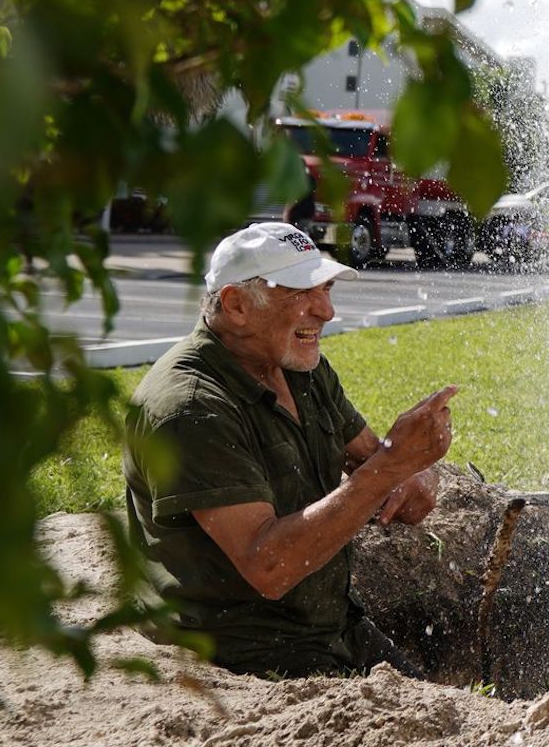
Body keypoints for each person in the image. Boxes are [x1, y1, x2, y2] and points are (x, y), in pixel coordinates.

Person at [123, 222, 458, 677]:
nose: (327, 311)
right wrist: (392, 465)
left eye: (326, 288)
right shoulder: (190, 407)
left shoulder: (299, 367)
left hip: (327, 628)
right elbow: (270, 567)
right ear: (236, 306)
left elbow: (373, 459)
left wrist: (414, 471)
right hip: (237, 654)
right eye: (302, 291)